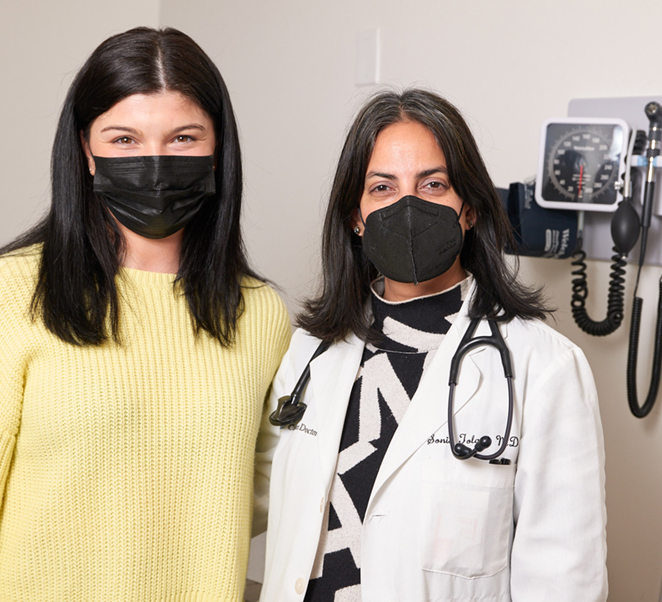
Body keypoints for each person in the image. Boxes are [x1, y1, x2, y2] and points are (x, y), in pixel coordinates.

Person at [0, 27, 290, 602]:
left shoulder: (260, 313)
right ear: (85, 150)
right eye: (124, 139)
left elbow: (267, 485)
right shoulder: (1, 297)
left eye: (183, 138)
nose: (155, 163)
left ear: (217, 150)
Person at [259, 89, 607, 601]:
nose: (407, 207)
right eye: (382, 187)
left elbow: (565, 578)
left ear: (468, 209)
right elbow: (253, 500)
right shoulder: (309, 352)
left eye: (433, 184)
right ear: (355, 216)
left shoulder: (544, 366)